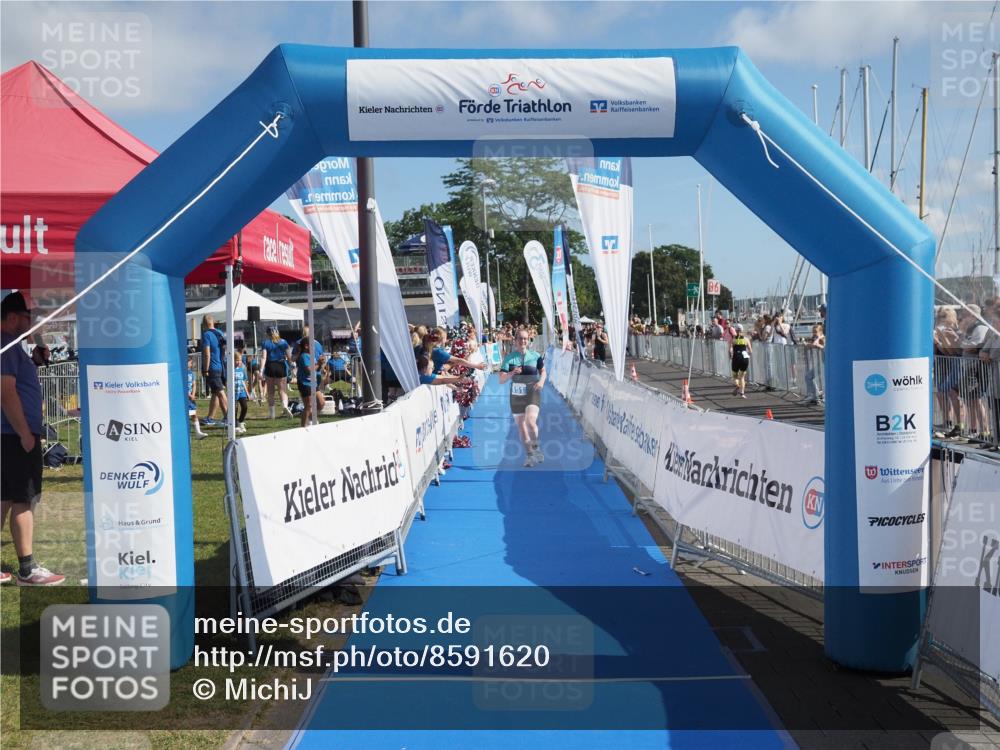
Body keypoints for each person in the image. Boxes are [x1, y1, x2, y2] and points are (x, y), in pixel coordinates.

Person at [0, 292, 65, 586]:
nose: (34, 323)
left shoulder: (14, 346)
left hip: (10, 435)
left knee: (4, 498)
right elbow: (6, 391)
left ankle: (25, 566)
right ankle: (27, 568)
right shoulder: (6, 344)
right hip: (14, 436)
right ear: (13, 317)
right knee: (23, 499)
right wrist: (25, 433)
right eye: (29, 317)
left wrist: (37, 343)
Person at [499, 329, 547, 467]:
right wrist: (512, 372)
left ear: (528, 340)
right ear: (515, 341)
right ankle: (529, 456)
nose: (523, 341)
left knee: (530, 421)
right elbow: (501, 380)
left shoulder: (536, 356)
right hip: (516, 394)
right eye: (520, 338)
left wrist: (542, 381)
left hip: (533, 391)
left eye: (525, 338)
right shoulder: (509, 358)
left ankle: (536, 448)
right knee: (521, 427)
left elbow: (543, 371)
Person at [200, 315, 227, 426]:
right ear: (213, 322)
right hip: (220, 366)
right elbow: (224, 350)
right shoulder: (220, 333)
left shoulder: (206, 335)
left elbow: (207, 353)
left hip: (212, 367)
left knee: (220, 392)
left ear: (204, 324)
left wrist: (206, 369)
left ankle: (230, 417)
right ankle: (210, 418)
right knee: (215, 393)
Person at [261, 327, 293, 419]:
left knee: (271, 392)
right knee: (282, 390)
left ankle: (272, 414)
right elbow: (289, 356)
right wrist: (291, 365)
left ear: (267, 334)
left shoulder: (265, 343)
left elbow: (264, 357)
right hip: (281, 366)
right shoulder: (284, 342)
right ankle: (285, 406)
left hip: (270, 366)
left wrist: (261, 370)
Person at [296, 336, 325, 427]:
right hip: (304, 383)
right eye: (312, 345)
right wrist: (318, 364)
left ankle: (311, 419)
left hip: (313, 383)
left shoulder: (311, 356)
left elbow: (316, 369)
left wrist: (320, 364)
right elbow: (309, 370)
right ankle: (303, 426)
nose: (314, 348)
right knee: (308, 405)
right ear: (306, 346)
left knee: (321, 403)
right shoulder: (304, 356)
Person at [804, 323, 825, 405]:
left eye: (815, 332)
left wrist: (819, 337)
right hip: (821, 363)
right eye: (813, 332)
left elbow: (816, 344)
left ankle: (821, 397)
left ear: (820, 331)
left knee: (824, 381)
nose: (814, 333)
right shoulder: (818, 338)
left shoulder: (823, 338)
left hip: (826, 364)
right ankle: (816, 395)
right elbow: (813, 345)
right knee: (808, 376)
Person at [729, 323, 752, 399]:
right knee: (742, 377)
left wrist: (730, 355)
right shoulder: (746, 339)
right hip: (744, 358)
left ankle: (737, 385)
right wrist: (748, 355)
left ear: (735, 330)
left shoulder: (733, 340)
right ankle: (742, 393)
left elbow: (730, 349)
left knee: (735, 376)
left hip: (736, 358)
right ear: (742, 331)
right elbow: (750, 351)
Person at [187, 355, 207, 439]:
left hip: (190, 398)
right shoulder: (181, 373)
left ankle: (198, 433)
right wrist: (189, 395)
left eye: (191, 363)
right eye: (190, 363)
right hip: (185, 398)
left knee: (194, 414)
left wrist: (193, 394)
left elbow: (194, 384)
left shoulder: (192, 373)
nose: (191, 364)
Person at [232, 353, 250, 434]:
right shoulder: (230, 370)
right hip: (234, 393)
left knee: (245, 407)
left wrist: (247, 393)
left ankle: (241, 422)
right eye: (236, 360)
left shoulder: (242, 370)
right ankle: (235, 426)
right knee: (234, 410)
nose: (238, 362)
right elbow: (227, 382)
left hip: (241, 392)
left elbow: (244, 381)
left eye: (240, 360)